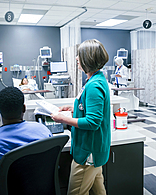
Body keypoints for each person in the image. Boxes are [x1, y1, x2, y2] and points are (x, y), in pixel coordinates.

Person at [52, 39, 110, 195]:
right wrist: (73, 109)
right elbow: (89, 110)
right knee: (99, 190)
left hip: (88, 153)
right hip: (92, 149)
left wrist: (62, 119)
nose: (76, 58)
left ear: (88, 59)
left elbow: (93, 122)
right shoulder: (94, 80)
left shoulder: (94, 85)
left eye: (79, 55)